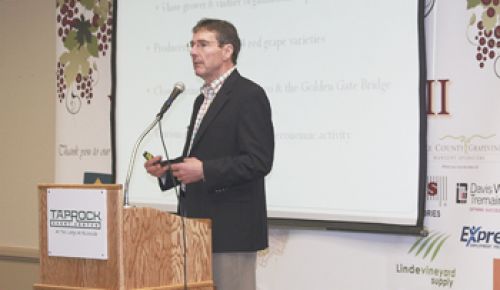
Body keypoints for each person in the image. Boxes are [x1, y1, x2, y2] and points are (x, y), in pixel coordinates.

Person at [144, 18, 274, 290]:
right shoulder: (201, 100)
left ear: (227, 51)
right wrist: (167, 171)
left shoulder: (248, 95)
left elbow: (259, 161)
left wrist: (205, 171)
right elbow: (202, 157)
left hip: (231, 232)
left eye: (203, 44)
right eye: (191, 45)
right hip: (196, 229)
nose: (193, 51)